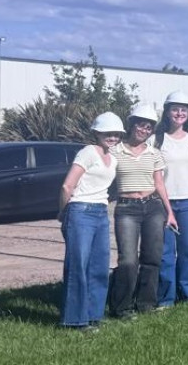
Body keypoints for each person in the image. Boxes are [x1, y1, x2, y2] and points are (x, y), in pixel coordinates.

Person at [109, 103, 178, 319]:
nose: (144, 130)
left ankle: (146, 303)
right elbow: (104, 179)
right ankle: (122, 306)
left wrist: (170, 212)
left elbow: (159, 184)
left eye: (149, 127)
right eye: (141, 125)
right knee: (128, 260)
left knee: (152, 257)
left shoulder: (154, 153)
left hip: (153, 207)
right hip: (126, 208)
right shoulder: (114, 152)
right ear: (131, 125)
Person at [57, 112, 122, 331]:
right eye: (107, 133)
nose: (112, 137)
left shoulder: (112, 158)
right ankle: (75, 319)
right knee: (78, 266)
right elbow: (67, 186)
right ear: (96, 133)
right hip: (80, 211)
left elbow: (108, 186)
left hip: (101, 212)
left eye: (115, 134)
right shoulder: (87, 152)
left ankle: (94, 315)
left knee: (99, 266)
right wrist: (63, 213)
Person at [155, 90, 188, 308]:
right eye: (175, 109)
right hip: (163, 202)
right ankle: (166, 298)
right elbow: (154, 174)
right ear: (167, 112)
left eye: (183, 110)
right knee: (166, 253)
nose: (179, 113)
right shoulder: (156, 139)